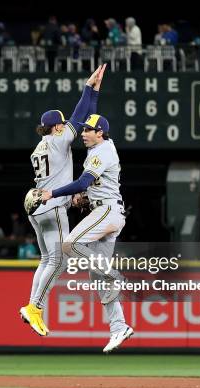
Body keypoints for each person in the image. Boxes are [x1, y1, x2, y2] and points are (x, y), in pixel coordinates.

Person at [19, 65, 105, 337]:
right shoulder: (57, 140)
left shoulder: (38, 148)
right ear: (56, 126)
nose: (67, 126)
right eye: (62, 124)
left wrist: (95, 91)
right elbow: (81, 117)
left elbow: (83, 117)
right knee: (60, 261)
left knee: (46, 260)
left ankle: (31, 308)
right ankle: (35, 307)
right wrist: (87, 88)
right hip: (53, 207)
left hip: (37, 209)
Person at [40, 111, 134, 353]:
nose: (82, 134)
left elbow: (82, 182)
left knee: (70, 244)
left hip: (107, 212)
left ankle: (115, 275)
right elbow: (90, 188)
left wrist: (53, 193)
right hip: (103, 209)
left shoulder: (102, 151)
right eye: (82, 130)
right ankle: (119, 327)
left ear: (99, 132)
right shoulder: (98, 150)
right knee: (96, 276)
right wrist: (83, 198)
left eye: (87, 130)